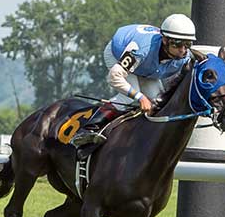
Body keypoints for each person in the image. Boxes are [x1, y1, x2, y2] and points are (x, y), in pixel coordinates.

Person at [70, 14, 197, 153]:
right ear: (165, 40)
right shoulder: (141, 49)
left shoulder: (184, 58)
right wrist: (139, 97)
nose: (183, 50)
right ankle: (87, 129)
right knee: (129, 98)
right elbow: (114, 77)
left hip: (147, 67)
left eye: (188, 44)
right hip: (117, 55)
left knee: (157, 101)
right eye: (177, 44)